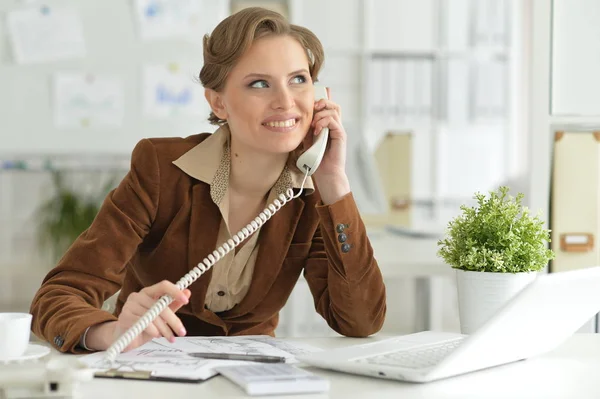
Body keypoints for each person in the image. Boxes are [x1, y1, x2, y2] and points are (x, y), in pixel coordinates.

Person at [30, 7, 386, 354]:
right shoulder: (161, 170)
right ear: (218, 103)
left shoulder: (313, 194)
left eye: (298, 79)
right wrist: (112, 332)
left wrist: (334, 181)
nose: (285, 101)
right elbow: (57, 297)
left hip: (254, 379)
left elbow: (360, 321)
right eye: (259, 84)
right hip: (150, 372)